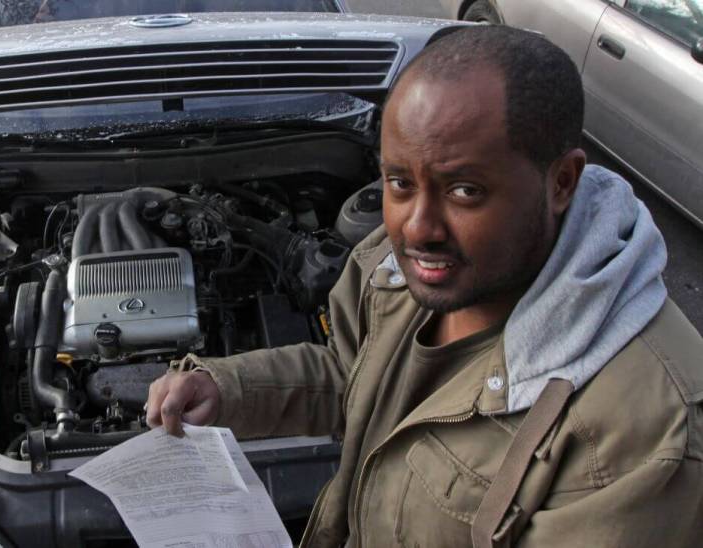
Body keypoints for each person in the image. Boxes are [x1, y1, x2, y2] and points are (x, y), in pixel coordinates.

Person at [145, 25, 703, 547]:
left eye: (464, 190)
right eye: (398, 183)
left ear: (561, 182)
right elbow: (355, 371)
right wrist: (228, 388)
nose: (417, 229)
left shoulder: (645, 438)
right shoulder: (391, 269)